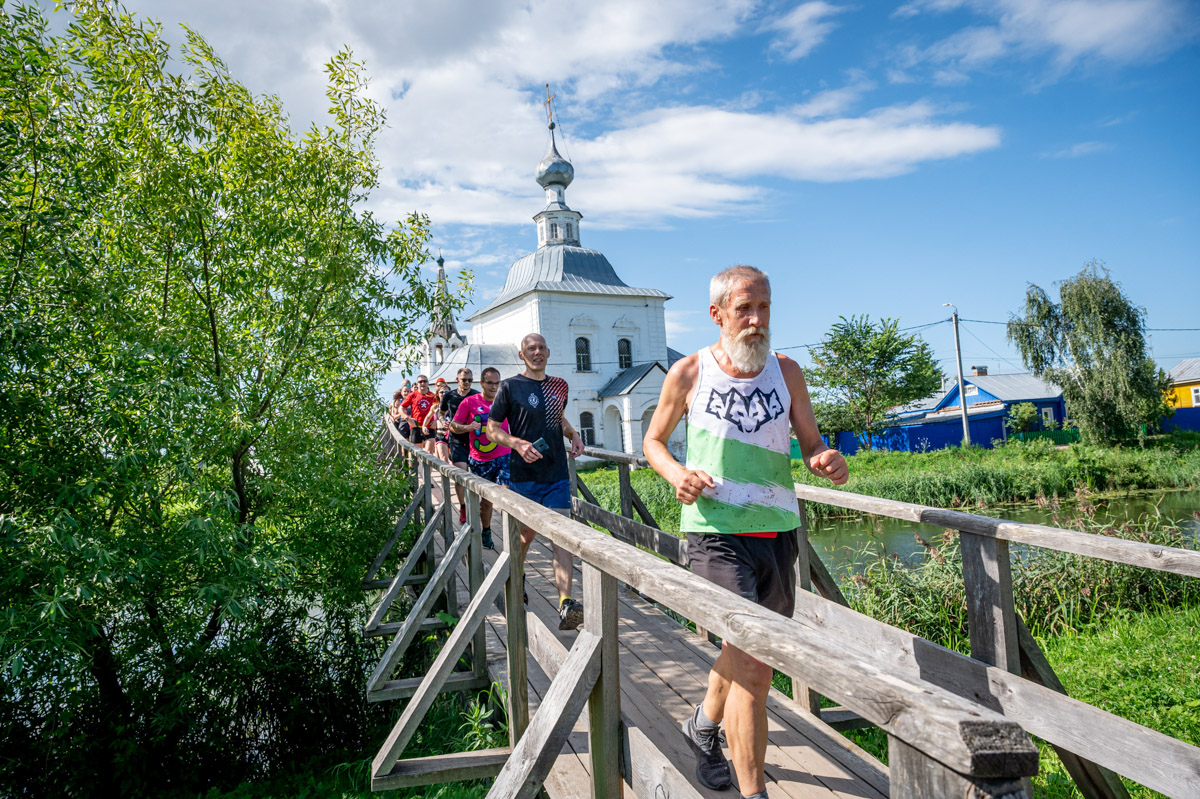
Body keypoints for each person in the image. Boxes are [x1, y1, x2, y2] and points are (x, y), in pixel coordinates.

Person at [642, 265, 848, 798]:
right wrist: (678, 475)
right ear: (717, 314)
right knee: (756, 669)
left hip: (777, 530)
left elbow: (810, 442)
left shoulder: (787, 372)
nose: (756, 320)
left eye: (764, 309)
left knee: (746, 652)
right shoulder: (688, 372)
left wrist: (824, 457)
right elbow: (654, 443)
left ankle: (703, 726)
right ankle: (752, 793)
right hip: (714, 533)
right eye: (744, 310)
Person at [487, 333, 586, 631]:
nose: (537, 352)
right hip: (524, 476)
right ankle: (517, 580)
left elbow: (558, 418)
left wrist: (573, 434)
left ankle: (566, 603)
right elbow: (492, 430)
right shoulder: (510, 387)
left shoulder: (560, 385)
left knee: (562, 537)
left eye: (542, 347)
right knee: (525, 536)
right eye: (531, 348)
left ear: (549, 351)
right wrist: (516, 443)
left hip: (556, 475)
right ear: (522, 354)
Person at [453, 367, 509, 550]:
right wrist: (468, 427)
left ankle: (512, 538)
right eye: (490, 383)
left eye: (497, 383)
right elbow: (454, 426)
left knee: (508, 493)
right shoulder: (469, 402)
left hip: (504, 456)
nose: (494, 387)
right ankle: (486, 530)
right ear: (482, 383)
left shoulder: (505, 402)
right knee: (486, 502)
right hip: (480, 460)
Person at [442, 368, 479, 525]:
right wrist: (442, 421)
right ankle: (463, 506)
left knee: (476, 475)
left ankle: (475, 506)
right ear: (457, 379)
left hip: (474, 439)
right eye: (464, 380)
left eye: (470, 380)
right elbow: (442, 412)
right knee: (461, 473)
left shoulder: (476, 395)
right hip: (456, 438)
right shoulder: (449, 396)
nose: (467, 383)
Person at [400, 376, 438, 455]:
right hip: (416, 426)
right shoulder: (413, 395)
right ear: (417, 384)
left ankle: (428, 467)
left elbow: (440, 410)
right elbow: (401, 408)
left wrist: (436, 421)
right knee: (416, 454)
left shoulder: (433, 396)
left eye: (424, 381)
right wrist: (408, 419)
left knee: (429, 452)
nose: (423, 383)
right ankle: (413, 467)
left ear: (428, 383)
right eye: (420, 382)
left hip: (429, 426)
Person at [422, 385, 452, 462]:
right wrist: (424, 426)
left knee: (453, 461)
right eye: (441, 392)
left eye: (447, 392)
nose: (444, 393)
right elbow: (428, 417)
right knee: (444, 460)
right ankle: (444, 474)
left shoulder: (454, 406)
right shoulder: (435, 407)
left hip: (453, 435)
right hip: (440, 435)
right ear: (438, 394)